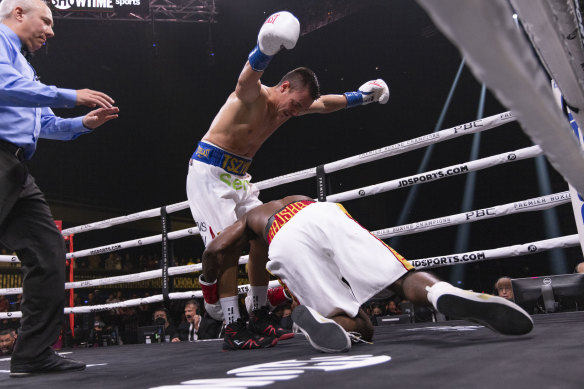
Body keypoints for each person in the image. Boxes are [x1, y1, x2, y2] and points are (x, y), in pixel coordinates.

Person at [190, 11, 390, 349]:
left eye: (301, 108)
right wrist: (264, 49)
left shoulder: (292, 105)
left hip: (239, 177)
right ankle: (232, 327)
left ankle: (258, 313)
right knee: (229, 247)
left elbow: (325, 104)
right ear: (284, 86)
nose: (294, 113)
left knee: (262, 237)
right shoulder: (253, 98)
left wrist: (363, 96)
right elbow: (245, 82)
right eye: (295, 104)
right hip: (209, 175)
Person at [202, 195, 534, 352]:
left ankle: (333, 319)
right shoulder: (291, 198)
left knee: (362, 327)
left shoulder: (249, 221)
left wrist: (208, 286)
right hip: (322, 212)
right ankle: (440, 293)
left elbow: (215, 250)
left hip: (284, 238)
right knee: (401, 277)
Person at [0, 0, 119, 376]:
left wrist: (82, 122)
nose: (51, 31)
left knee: (49, 253)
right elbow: (4, 87)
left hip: (16, 168)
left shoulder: (27, 70)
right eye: (47, 21)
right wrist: (71, 94)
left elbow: (47, 126)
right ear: (19, 13)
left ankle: (32, 352)